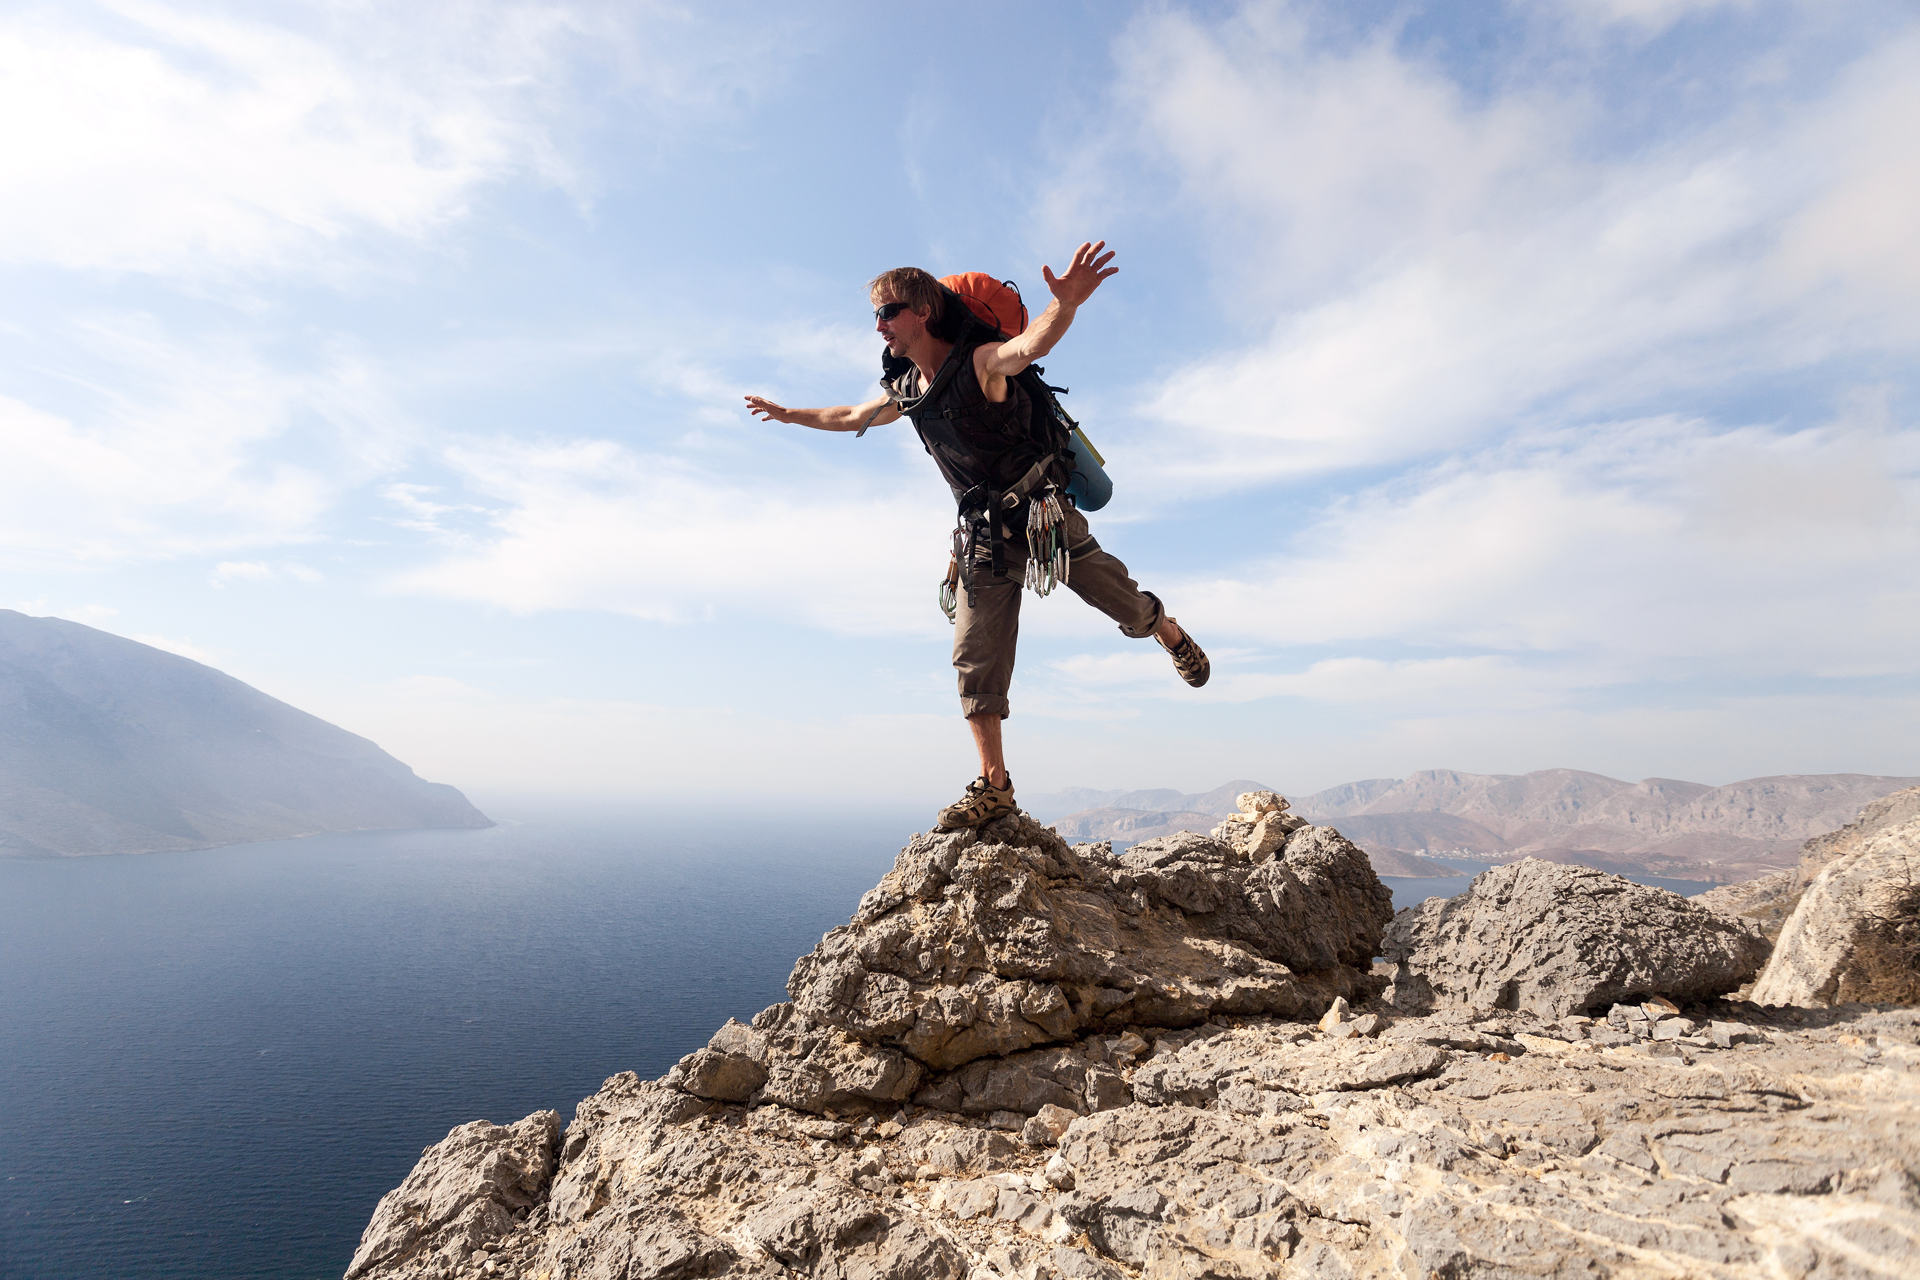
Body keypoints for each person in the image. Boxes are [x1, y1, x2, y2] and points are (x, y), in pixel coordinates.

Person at [745, 241, 1207, 831]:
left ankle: (1166, 630)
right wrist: (790, 415)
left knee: (1120, 599)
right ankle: (996, 786)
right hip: (983, 537)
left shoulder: (981, 363)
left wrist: (1064, 307)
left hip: (1042, 519)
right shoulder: (910, 387)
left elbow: (1026, 347)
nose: (879, 325)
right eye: (876, 315)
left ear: (923, 313)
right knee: (974, 660)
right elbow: (851, 416)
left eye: (888, 312)